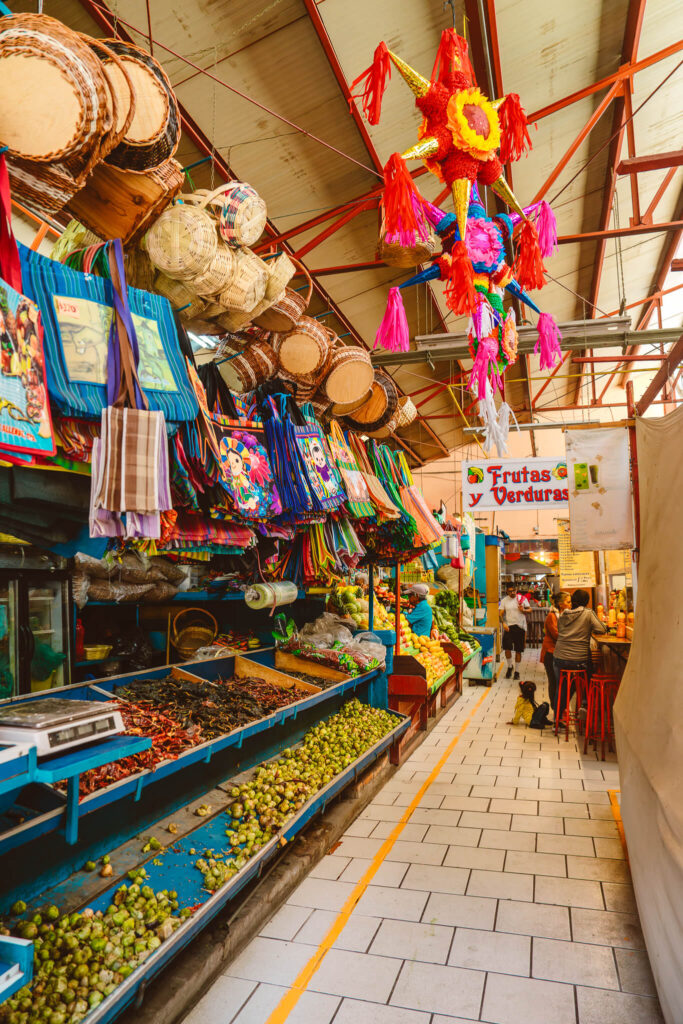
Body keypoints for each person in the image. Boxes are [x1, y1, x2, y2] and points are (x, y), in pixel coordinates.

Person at [552, 588, 607, 715]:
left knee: (561, 688)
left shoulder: (563, 615)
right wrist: (588, 628)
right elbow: (602, 629)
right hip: (579, 660)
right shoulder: (588, 613)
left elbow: (561, 632)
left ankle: (557, 717)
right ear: (587, 602)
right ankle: (585, 703)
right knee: (588, 667)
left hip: (559, 658)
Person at [540, 591, 571, 713]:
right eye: (568, 602)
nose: (570, 604)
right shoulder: (552, 616)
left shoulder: (563, 615)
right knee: (553, 682)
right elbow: (557, 635)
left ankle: (559, 709)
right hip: (550, 652)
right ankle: (556, 710)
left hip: (559, 652)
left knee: (560, 683)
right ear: (560, 604)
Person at [499, 583, 530, 679]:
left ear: (516, 590)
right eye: (510, 591)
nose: (512, 593)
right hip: (509, 627)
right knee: (507, 649)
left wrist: (523, 609)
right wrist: (503, 623)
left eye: (514, 591)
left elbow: (530, 610)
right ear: (507, 591)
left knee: (518, 650)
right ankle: (509, 667)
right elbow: (500, 614)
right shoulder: (504, 601)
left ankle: (516, 671)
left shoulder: (521, 599)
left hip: (520, 627)